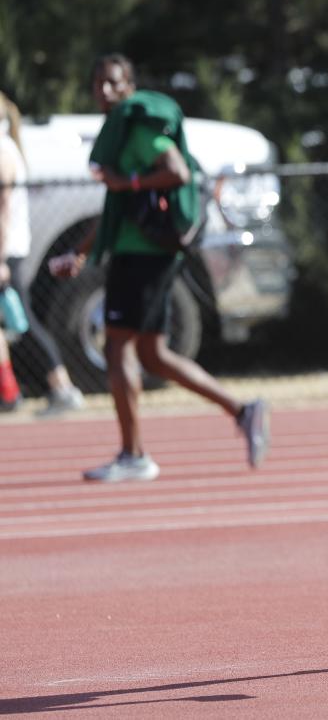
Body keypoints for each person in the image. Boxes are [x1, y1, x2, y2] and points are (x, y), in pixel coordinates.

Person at [49, 54, 270, 482]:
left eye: (114, 83)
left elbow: (176, 171)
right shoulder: (122, 132)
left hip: (144, 256)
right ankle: (244, 411)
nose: (104, 92)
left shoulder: (138, 130)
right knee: (153, 354)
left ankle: (134, 455)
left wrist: (128, 182)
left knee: (116, 349)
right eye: (98, 84)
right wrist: (79, 251)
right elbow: (118, 205)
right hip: (144, 253)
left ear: (130, 86)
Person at [0, 92, 88, 416]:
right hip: (8, 249)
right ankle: (9, 392)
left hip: (6, 251)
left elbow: (4, 212)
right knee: (11, 323)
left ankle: (62, 387)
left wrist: (0, 260)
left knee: (23, 323)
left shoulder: (3, 152)